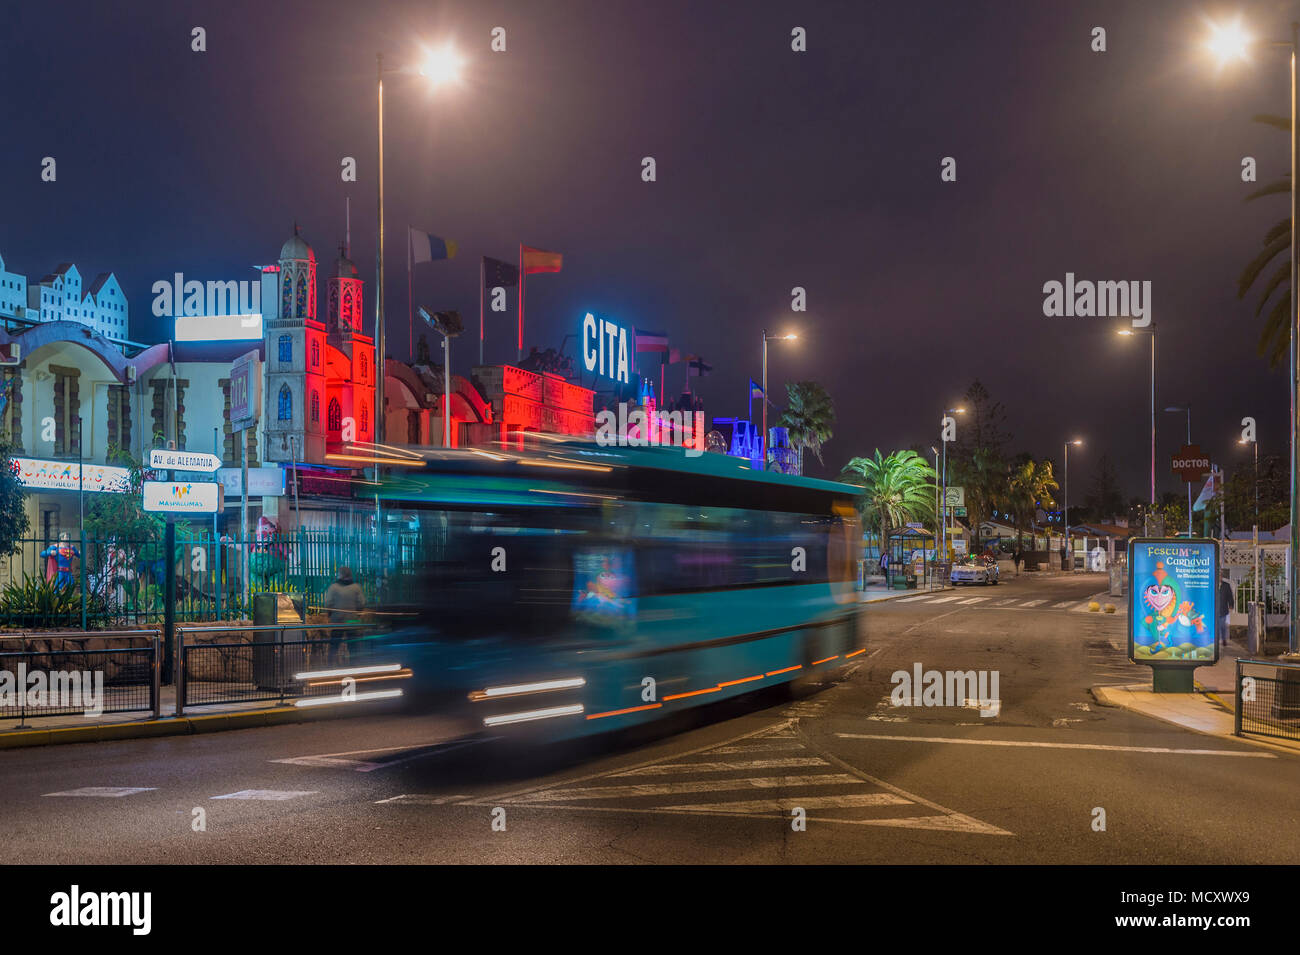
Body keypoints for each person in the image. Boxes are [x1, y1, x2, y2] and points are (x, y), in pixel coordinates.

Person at [323, 566, 365, 666]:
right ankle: (353, 667)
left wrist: (330, 614)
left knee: (334, 646)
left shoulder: (333, 588)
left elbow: (328, 603)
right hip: (352, 622)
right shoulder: (356, 587)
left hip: (337, 621)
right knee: (353, 647)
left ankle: (330, 666)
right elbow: (361, 603)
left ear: (340, 575)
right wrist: (357, 613)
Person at [1218, 573, 1235, 650]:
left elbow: (1230, 596)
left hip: (1223, 609)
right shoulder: (1212, 584)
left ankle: (1224, 639)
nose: (1219, 577)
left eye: (1220, 576)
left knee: (1222, 625)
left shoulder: (1226, 585)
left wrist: (1231, 605)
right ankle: (1216, 639)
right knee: (1215, 626)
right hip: (1214, 609)